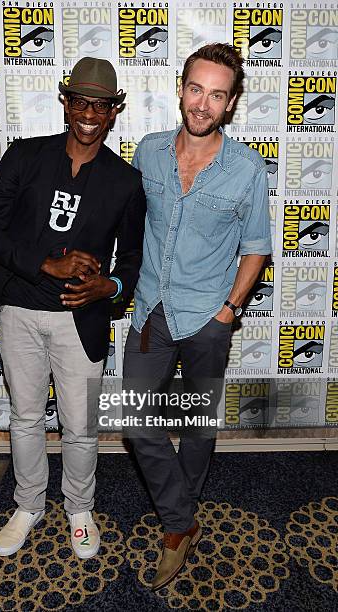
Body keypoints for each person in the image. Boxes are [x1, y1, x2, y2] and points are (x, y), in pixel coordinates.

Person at [0, 57, 146, 559]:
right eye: (80, 101)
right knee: (25, 417)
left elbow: (133, 259)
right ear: (64, 102)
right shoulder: (24, 157)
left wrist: (109, 286)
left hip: (82, 323)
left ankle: (78, 508)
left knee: (80, 425)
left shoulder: (125, 181)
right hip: (21, 312)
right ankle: (27, 504)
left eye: (101, 105)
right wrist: (45, 265)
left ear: (114, 112)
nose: (88, 114)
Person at [123, 43, 271, 590]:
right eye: (195, 88)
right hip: (150, 311)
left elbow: (256, 247)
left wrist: (228, 310)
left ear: (230, 104)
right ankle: (183, 520)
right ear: (180, 88)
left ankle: (174, 531)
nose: (202, 104)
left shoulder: (247, 168)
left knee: (198, 425)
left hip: (209, 314)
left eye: (216, 94)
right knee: (135, 420)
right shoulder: (149, 151)